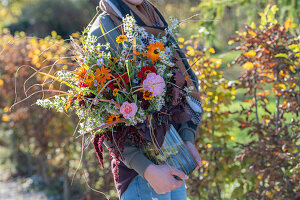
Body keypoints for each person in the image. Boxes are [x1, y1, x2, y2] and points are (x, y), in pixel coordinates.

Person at [89, 0, 203, 199]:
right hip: (141, 174)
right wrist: (148, 169)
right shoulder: (103, 31)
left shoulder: (154, 20)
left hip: (173, 159)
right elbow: (101, 116)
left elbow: (181, 87)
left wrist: (187, 137)